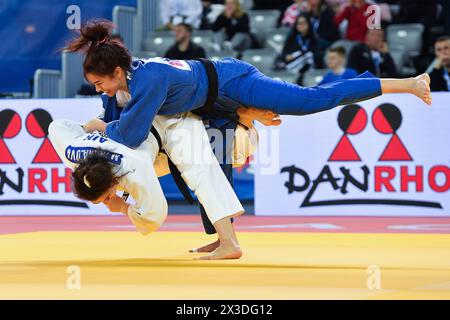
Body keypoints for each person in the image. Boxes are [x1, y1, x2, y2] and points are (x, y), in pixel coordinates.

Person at [65, 19, 432, 153]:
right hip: (214, 97)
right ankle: (222, 236)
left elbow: (128, 135)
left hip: (233, 80)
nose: (100, 90)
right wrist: (102, 122)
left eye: (100, 83)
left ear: (116, 71)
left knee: (309, 101)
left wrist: (99, 127)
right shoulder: (130, 78)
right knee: (220, 148)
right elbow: (116, 116)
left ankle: (408, 83)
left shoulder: (147, 79)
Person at [48, 109, 275, 260]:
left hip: (169, 127)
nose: (109, 200)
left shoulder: (132, 168)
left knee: (206, 169)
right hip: (150, 143)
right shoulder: (71, 150)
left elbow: (156, 214)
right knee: (211, 163)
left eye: (106, 196)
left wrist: (123, 207)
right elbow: (55, 126)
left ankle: (244, 123)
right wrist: (87, 126)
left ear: (112, 181)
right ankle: (222, 240)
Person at [279, 14, 318, 83]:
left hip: (308, 68)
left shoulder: (314, 38)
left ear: (308, 24)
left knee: (309, 55)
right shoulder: (291, 38)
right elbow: (283, 53)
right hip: (293, 67)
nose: (301, 25)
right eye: (299, 23)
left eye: (304, 23)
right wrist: (287, 56)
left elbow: (317, 56)